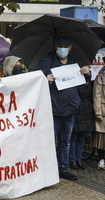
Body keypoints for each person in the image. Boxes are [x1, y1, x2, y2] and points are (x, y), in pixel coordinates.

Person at [36, 36, 90, 181]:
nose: (63, 49)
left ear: (71, 47)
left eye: (66, 46)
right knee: (49, 143)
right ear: (55, 46)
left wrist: (87, 74)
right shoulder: (47, 62)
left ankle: (63, 169)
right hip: (53, 110)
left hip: (70, 111)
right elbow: (35, 79)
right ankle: (47, 171)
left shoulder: (74, 63)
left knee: (65, 143)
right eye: (60, 46)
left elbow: (82, 84)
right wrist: (44, 79)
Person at [69, 71, 94, 170]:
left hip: (87, 110)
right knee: (74, 137)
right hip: (78, 109)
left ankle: (78, 159)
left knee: (81, 138)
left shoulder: (90, 79)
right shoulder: (75, 79)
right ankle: (73, 160)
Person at [92, 66, 105, 170]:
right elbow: (97, 95)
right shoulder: (101, 76)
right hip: (103, 111)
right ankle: (101, 159)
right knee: (102, 137)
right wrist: (98, 112)